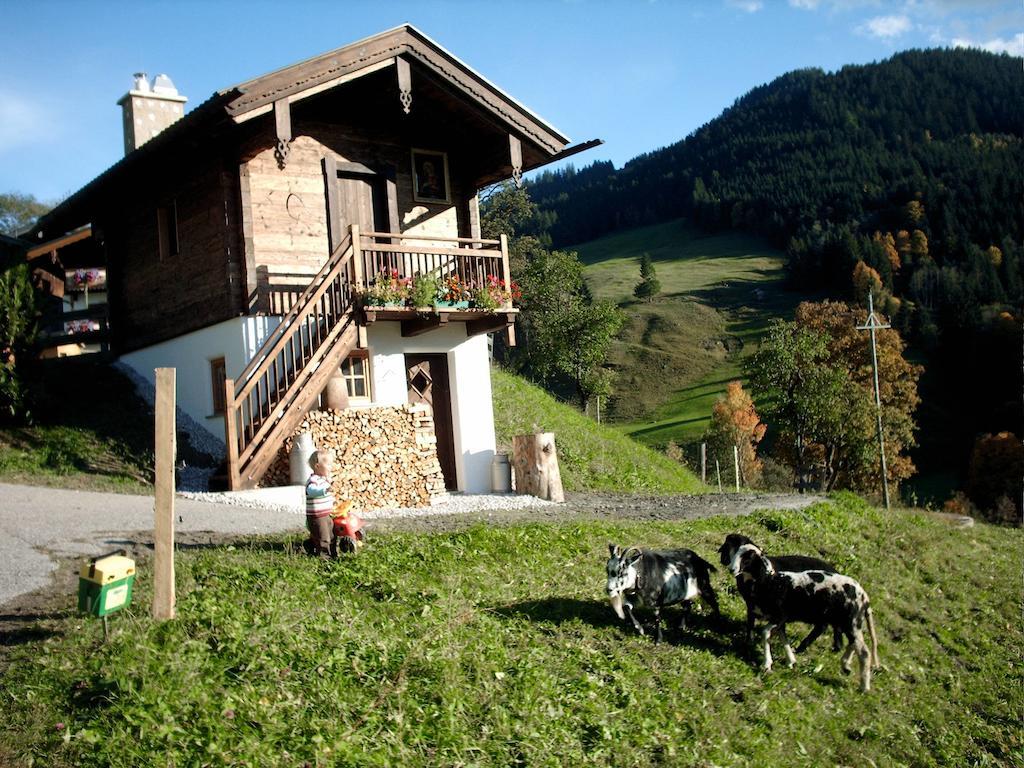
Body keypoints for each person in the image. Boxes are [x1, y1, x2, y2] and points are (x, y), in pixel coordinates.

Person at [304, 450, 335, 559]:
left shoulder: (324, 480)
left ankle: (332, 554)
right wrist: (325, 490)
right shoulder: (313, 481)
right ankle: (324, 557)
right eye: (328, 464)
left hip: (326, 514)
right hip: (317, 517)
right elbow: (311, 491)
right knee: (323, 537)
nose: (331, 467)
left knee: (331, 535)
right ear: (317, 466)